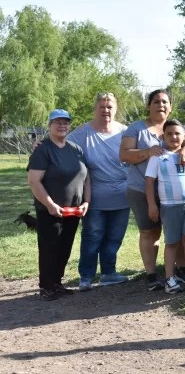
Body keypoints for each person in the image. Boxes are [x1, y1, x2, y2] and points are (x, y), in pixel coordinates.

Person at [120, 89, 185, 291]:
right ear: (148, 105)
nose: (161, 105)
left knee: (178, 233)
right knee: (150, 232)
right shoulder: (137, 127)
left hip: (175, 191)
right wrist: (147, 152)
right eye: (156, 101)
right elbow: (124, 154)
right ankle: (152, 274)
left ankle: (181, 270)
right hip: (142, 188)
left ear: (170, 107)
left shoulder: (174, 127)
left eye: (165, 102)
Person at [68, 93, 130, 292]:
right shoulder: (82, 133)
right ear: (95, 109)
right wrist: (40, 145)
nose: (106, 110)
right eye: (102, 106)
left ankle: (108, 273)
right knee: (92, 236)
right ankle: (86, 276)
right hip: (94, 197)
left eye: (110, 106)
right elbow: (59, 142)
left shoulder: (125, 131)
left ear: (116, 108)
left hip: (123, 195)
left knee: (115, 236)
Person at [27, 109, 90, 300]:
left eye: (65, 122)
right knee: (49, 248)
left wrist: (86, 201)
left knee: (64, 248)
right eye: (57, 122)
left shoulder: (75, 149)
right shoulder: (43, 149)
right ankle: (46, 286)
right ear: (49, 125)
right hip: (50, 210)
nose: (62, 126)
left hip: (73, 210)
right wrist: (50, 205)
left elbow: (87, 177)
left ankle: (57, 283)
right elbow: (34, 181)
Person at [145, 120, 185, 294]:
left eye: (177, 133)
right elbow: (149, 182)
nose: (174, 137)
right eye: (170, 133)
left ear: (184, 137)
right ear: (163, 136)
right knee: (172, 242)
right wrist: (152, 205)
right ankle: (169, 278)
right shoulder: (157, 157)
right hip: (169, 207)